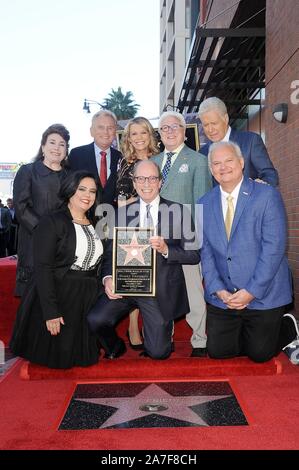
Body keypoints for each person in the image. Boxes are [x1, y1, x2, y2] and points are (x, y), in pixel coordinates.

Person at [87, 160, 200, 360]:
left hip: (159, 290)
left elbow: (194, 255)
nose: (146, 183)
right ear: (134, 181)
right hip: (126, 286)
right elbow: (109, 255)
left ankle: (158, 339)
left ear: (160, 182)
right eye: (140, 178)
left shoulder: (180, 212)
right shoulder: (120, 214)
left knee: (158, 353)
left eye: (152, 178)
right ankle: (115, 346)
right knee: (95, 319)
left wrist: (167, 249)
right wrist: (108, 278)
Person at [198, 141, 297, 362]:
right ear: (211, 169)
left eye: (228, 161)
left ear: (241, 162)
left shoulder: (266, 195)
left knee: (259, 354)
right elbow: (205, 252)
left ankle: (287, 326)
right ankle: (250, 332)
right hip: (225, 296)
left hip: (263, 293)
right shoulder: (203, 204)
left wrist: (251, 291)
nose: (223, 167)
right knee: (218, 352)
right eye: (216, 163)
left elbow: (274, 249)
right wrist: (218, 290)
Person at [10, 171, 103, 369]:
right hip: (60, 295)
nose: (88, 195)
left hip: (86, 297)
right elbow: (43, 268)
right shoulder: (52, 221)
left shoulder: (97, 223)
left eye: (93, 191)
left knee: (86, 359)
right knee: (59, 362)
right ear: (70, 190)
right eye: (82, 189)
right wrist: (50, 312)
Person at [152, 111, 212, 357]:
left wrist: (197, 242)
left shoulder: (198, 161)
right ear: (159, 133)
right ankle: (165, 338)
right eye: (164, 128)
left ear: (184, 130)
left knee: (192, 291)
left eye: (174, 126)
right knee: (161, 290)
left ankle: (200, 340)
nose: (169, 131)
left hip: (186, 237)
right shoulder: (152, 162)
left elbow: (201, 203)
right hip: (157, 238)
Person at [117, 117, 160, 349]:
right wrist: (145, 195)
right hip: (134, 223)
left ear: (149, 134)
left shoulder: (161, 158)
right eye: (134, 134)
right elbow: (121, 202)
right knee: (136, 274)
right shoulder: (125, 163)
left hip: (164, 219)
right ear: (128, 138)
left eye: (143, 132)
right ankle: (133, 324)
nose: (139, 137)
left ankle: (156, 325)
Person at [13, 124, 70, 295]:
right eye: (52, 142)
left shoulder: (71, 176)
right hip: (33, 242)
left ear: (67, 150)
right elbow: (21, 207)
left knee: (58, 299)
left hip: (63, 246)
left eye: (62, 144)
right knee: (33, 298)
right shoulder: (28, 171)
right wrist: (46, 233)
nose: (57, 148)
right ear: (43, 146)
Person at [198, 97, 278, 186]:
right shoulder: (202, 154)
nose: (210, 129)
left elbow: (270, 176)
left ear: (225, 118)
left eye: (214, 123)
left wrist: (258, 187)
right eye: (205, 125)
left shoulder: (250, 141)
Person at [68, 110, 122, 205]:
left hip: (114, 217)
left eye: (110, 128)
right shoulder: (76, 155)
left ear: (115, 132)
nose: (106, 132)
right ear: (91, 131)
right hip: (83, 217)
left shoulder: (121, 158)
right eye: (101, 127)